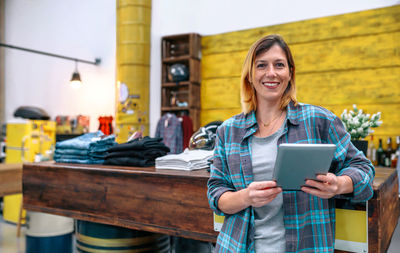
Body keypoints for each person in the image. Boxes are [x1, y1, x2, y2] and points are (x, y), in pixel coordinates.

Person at [207, 34, 375, 253]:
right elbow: (216, 194)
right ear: (249, 75)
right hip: (237, 247)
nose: (271, 73)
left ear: (290, 73)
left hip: (306, 246)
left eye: (279, 65)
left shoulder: (319, 120)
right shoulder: (228, 131)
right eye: (261, 65)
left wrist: (339, 185)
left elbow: (363, 168)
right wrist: (246, 196)